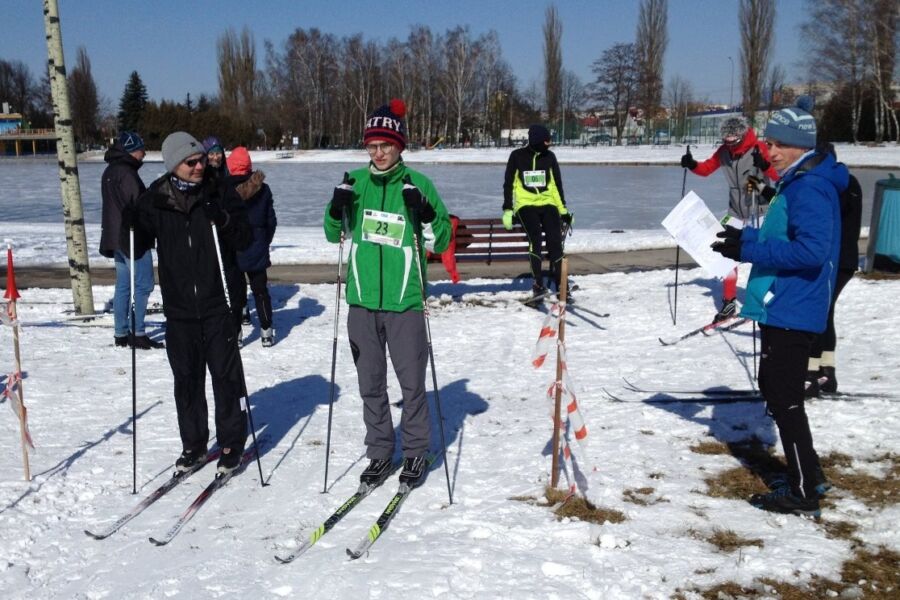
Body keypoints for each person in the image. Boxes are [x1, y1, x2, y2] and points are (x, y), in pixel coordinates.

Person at [711, 97, 847, 517]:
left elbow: (810, 251)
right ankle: (811, 475)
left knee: (784, 397)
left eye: (776, 145)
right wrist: (745, 241)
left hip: (793, 307)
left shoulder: (811, 187)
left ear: (797, 145)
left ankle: (803, 491)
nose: (768, 151)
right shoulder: (799, 182)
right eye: (767, 143)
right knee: (778, 391)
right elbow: (792, 238)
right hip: (784, 304)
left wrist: (749, 246)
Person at [324, 99, 451, 489]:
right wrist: (336, 206)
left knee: (411, 384)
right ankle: (380, 453)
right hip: (361, 303)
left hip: (405, 303)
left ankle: (415, 453)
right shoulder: (356, 183)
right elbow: (334, 234)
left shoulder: (418, 184)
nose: (378, 153)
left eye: (386, 145)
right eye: (372, 146)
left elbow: (441, 237)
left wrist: (425, 212)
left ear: (400, 146)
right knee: (370, 384)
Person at [124, 131, 252, 474]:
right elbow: (137, 244)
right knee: (187, 380)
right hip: (179, 309)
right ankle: (194, 445)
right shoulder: (157, 198)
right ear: (172, 165)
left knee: (226, 378)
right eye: (191, 162)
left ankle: (231, 442)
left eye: (201, 159)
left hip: (218, 303)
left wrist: (223, 219)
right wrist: (131, 226)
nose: (200, 166)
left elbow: (245, 236)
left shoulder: (220, 191)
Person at [682, 116, 779, 322]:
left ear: (742, 137)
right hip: (735, 209)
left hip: (759, 207)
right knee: (726, 254)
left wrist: (764, 167)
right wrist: (692, 165)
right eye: (725, 141)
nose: (729, 145)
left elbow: (780, 177)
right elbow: (707, 169)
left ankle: (773, 299)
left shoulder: (759, 148)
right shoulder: (724, 152)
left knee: (763, 254)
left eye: (733, 141)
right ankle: (729, 302)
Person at [805, 143, 862, 396]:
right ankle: (827, 372)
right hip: (846, 260)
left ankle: (812, 373)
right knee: (826, 315)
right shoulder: (849, 183)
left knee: (818, 315)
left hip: (837, 260)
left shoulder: (835, 187)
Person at [99, 130, 163, 350]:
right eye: (141, 149)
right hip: (132, 238)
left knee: (124, 285)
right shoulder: (126, 173)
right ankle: (138, 332)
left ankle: (121, 332)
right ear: (130, 150)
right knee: (144, 284)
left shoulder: (109, 171)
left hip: (114, 237)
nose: (144, 153)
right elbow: (139, 204)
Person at [502, 124, 572, 304]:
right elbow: (508, 184)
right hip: (525, 205)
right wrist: (508, 209)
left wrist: (562, 210)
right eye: (546, 141)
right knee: (536, 239)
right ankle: (538, 283)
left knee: (555, 242)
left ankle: (561, 284)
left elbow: (557, 185)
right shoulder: (517, 156)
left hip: (548, 203)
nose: (549, 144)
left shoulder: (550, 157)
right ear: (536, 140)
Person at [226, 146, 278, 348]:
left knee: (235, 293)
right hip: (256, 244)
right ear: (248, 165)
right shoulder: (263, 189)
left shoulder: (225, 190)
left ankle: (237, 334)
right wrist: (265, 240)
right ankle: (266, 331)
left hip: (233, 247)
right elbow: (271, 221)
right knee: (260, 290)